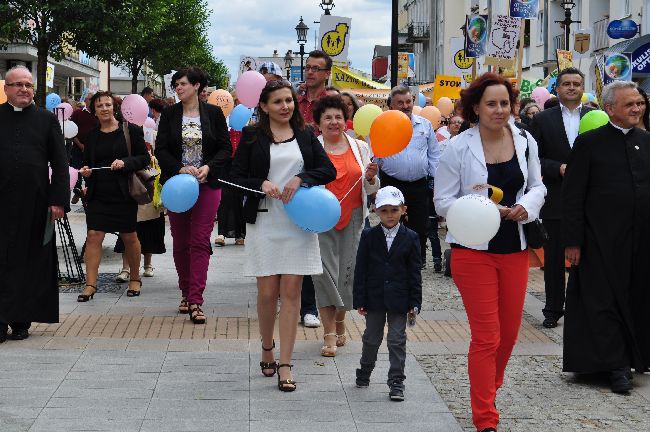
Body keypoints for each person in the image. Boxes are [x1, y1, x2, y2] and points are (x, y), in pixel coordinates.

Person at [434, 73, 546, 432]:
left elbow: (538, 185)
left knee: (510, 334)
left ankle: (487, 388)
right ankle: (486, 418)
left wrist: (525, 206)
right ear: (476, 108)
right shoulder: (458, 146)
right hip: (472, 249)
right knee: (487, 336)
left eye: (504, 103)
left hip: (514, 247)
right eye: (491, 104)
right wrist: (480, 208)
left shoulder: (525, 140)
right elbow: (442, 201)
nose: (499, 110)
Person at [230, 79, 336, 392]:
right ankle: (267, 347)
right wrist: (260, 183)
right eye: (277, 102)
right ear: (264, 106)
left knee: (291, 292)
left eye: (288, 100)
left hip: (298, 222)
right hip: (265, 220)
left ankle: (286, 364)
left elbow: (327, 170)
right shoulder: (251, 136)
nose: (285, 106)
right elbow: (234, 178)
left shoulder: (305, 134)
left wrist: (301, 178)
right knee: (267, 292)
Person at [562, 80, 650, 394]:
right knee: (604, 303)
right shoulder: (589, 144)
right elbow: (572, 196)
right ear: (610, 108)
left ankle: (635, 357)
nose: (637, 109)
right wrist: (572, 240)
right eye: (630, 105)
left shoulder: (646, 140)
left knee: (637, 297)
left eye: (639, 104)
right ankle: (615, 366)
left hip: (640, 241)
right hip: (599, 240)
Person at [155, 67, 231, 324]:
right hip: (177, 185)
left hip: (207, 184)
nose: (178, 88)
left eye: (183, 84)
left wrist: (208, 167)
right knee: (180, 240)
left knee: (199, 240)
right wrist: (178, 167)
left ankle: (196, 299)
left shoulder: (213, 113)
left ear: (197, 86)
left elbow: (225, 148)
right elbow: (161, 149)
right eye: (176, 84)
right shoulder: (169, 113)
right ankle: (185, 292)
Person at [0, 66, 69, 342]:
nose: (24, 90)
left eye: (28, 85)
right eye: (17, 85)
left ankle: (21, 320)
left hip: (36, 204)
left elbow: (61, 163)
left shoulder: (46, 120)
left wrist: (58, 200)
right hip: (2, 204)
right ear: (6, 89)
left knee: (30, 261)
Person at [311, 95, 380, 357]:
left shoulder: (360, 148)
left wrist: (372, 178)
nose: (333, 121)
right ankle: (329, 331)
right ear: (318, 122)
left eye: (338, 117)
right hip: (320, 220)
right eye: (327, 117)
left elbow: (372, 188)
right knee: (324, 274)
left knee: (347, 276)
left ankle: (340, 319)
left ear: (346, 120)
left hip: (352, 218)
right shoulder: (312, 149)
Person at [528, 67, 593, 329]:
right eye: (566, 83)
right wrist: (558, 168)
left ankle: (584, 307)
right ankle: (553, 308)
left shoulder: (595, 117)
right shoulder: (544, 120)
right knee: (554, 258)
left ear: (583, 88)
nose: (572, 88)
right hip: (555, 197)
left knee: (587, 257)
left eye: (577, 84)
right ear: (558, 88)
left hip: (590, 199)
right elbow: (533, 159)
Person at [78, 91, 151, 302]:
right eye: (99, 106)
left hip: (123, 193)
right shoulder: (92, 135)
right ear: (94, 110)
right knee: (93, 235)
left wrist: (125, 163)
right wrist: (86, 172)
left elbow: (144, 158)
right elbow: (87, 162)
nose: (104, 109)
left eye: (108, 105)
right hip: (98, 193)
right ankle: (90, 284)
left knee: (129, 236)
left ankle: (135, 278)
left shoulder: (130, 131)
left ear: (114, 107)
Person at [353, 186, 422, 402]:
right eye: (384, 211)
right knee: (371, 338)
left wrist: (414, 302)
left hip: (400, 299)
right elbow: (360, 269)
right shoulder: (368, 236)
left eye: (394, 210)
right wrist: (360, 299)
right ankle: (365, 371)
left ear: (403, 209)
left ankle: (396, 381)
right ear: (375, 211)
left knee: (396, 339)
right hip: (374, 298)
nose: (389, 215)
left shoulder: (411, 237)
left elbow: (414, 272)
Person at [376, 86, 440, 269]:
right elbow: (375, 156)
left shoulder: (424, 125)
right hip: (392, 183)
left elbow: (434, 155)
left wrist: (435, 181)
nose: (405, 106)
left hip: (419, 185)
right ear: (391, 106)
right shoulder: (382, 124)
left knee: (420, 225)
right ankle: (392, 260)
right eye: (400, 103)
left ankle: (416, 261)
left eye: (408, 102)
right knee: (391, 224)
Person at [297, 50, 333, 328]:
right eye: (308, 67)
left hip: (324, 176)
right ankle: (301, 302)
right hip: (293, 175)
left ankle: (315, 305)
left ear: (326, 74)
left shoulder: (332, 103)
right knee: (299, 240)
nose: (310, 72)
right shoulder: (294, 102)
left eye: (316, 69)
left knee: (319, 245)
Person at [214, 126, 246, 247]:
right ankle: (221, 233)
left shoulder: (248, 118)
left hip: (240, 164)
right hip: (224, 163)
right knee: (223, 197)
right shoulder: (222, 118)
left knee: (238, 198)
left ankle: (240, 234)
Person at [69, 92, 98, 203]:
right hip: (78, 148)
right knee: (77, 171)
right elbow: (71, 131)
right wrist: (80, 145)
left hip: (93, 150)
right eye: (90, 99)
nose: (91, 101)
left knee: (90, 172)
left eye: (93, 99)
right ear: (85, 100)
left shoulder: (97, 115)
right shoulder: (78, 113)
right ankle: (77, 192)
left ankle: (88, 194)